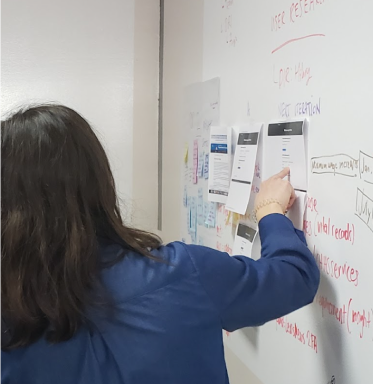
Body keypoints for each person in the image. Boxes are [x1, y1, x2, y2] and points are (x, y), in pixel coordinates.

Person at [0, 104, 320, 384]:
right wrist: (270, 213)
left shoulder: (12, 319)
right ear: (100, 183)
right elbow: (294, 277)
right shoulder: (180, 273)